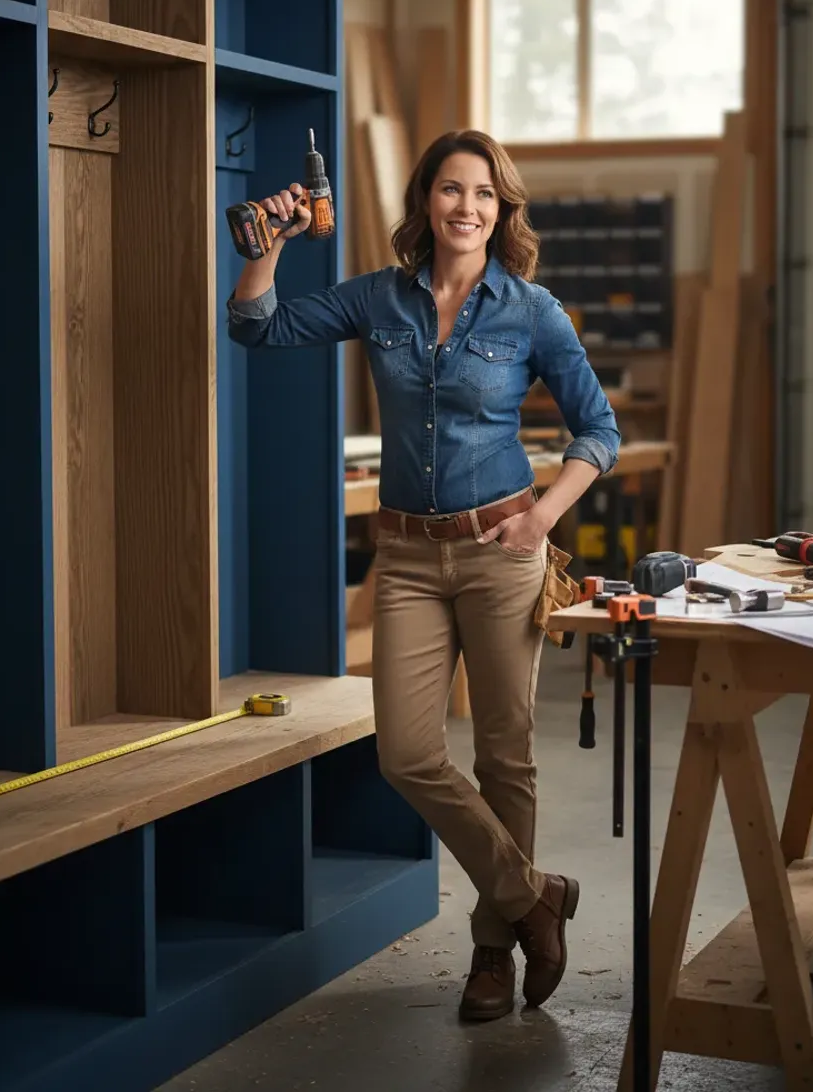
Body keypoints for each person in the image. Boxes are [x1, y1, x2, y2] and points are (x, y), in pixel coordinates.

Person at [227, 129, 621, 1022]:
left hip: (501, 551)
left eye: (484, 194)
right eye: (451, 190)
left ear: (502, 209)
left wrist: (542, 516)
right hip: (405, 557)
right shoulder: (378, 299)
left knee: (504, 755)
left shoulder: (530, 310)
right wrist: (270, 250)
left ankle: (492, 953)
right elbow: (257, 326)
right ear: (426, 201)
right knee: (407, 753)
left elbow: (597, 432)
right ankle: (533, 897)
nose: (467, 209)